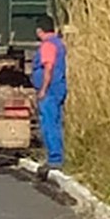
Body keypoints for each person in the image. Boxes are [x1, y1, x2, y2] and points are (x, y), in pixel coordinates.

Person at [32, 15, 67, 170]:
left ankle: (54, 158)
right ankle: (56, 156)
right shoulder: (59, 44)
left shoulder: (47, 46)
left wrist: (43, 89)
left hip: (50, 90)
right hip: (58, 87)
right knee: (55, 122)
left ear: (40, 31)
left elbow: (48, 67)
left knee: (49, 123)